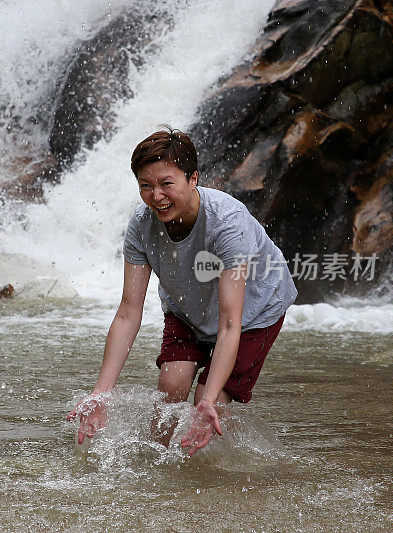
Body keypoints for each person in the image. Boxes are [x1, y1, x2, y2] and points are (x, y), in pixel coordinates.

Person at [67, 126, 297, 455]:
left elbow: (231, 323)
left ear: (193, 179)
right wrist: (101, 393)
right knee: (171, 385)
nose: (156, 196)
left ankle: (202, 479)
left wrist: (205, 402)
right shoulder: (140, 226)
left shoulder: (227, 223)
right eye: (145, 186)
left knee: (212, 399)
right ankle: (160, 469)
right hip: (188, 305)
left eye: (166, 184)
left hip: (254, 312)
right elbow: (128, 313)